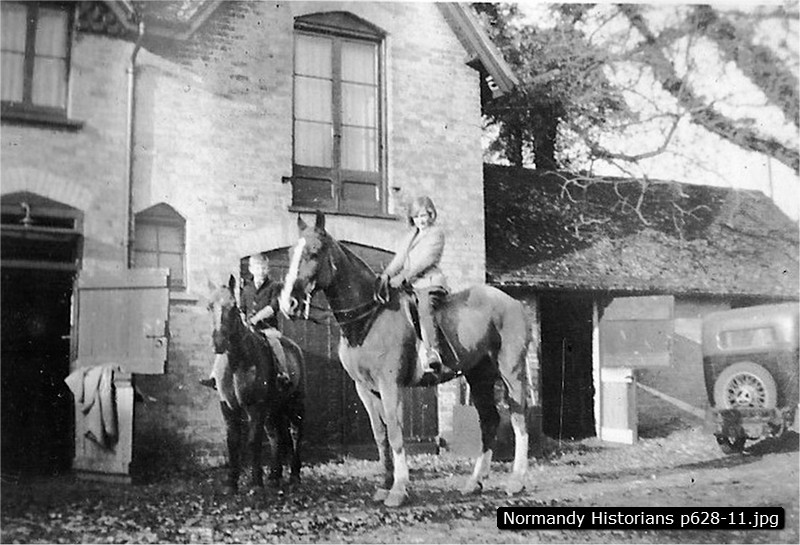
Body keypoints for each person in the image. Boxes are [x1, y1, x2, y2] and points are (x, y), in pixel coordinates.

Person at [380, 196, 452, 380]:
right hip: (412, 286)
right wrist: (386, 275)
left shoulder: (435, 234)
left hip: (430, 283)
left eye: (425, 215)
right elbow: (399, 260)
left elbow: (425, 261)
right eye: (418, 216)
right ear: (412, 218)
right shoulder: (411, 236)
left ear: (431, 215)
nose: (422, 220)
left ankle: (433, 352)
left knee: (425, 308)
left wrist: (403, 278)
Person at [201, 252, 290, 389]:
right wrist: (243, 318)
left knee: (275, 343)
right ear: (251, 269)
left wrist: (256, 318)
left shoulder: (274, 286)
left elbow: (272, 307)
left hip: (267, 329)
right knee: (228, 344)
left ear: (268, 269)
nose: (261, 271)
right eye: (258, 267)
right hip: (249, 329)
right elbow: (242, 308)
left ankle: (282, 373)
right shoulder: (247, 288)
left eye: (264, 268)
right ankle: (215, 376)